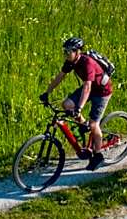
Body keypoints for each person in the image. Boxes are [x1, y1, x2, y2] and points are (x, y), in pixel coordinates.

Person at [40, 37, 112, 171]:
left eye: (68, 52)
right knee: (67, 105)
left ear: (77, 52)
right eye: (65, 52)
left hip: (102, 92)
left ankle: (98, 155)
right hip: (90, 88)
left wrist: (79, 108)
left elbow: (87, 88)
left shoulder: (87, 63)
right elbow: (60, 77)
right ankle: (84, 125)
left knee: (94, 124)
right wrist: (47, 92)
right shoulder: (71, 62)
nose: (66, 54)